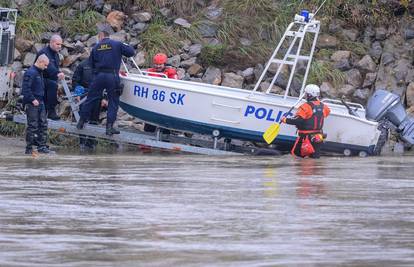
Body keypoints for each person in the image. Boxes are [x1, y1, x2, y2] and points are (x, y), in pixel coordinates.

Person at [76, 30, 135, 136]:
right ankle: (109, 127)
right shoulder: (116, 44)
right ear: (109, 36)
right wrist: (125, 45)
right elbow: (131, 52)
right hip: (112, 76)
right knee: (113, 101)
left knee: (90, 99)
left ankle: (81, 122)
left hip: (99, 76)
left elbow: (91, 64)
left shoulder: (96, 47)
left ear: (100, 36)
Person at [281, 84, 330, 158]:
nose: (305, 96)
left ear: (309, 95)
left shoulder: (305, 107)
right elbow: (326, 113)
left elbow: (298, 121)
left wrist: (285, 120)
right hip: (318, 138)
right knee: (314, 160)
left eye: (306, 94)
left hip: (305, 138)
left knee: (296, 157)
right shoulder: (324, 107)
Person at [21, 54, 54, 154]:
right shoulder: (30, 72)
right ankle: (29, 148)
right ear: (40, 62)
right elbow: (25, 89)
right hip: (32, 103)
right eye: (45, 65)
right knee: (33, 126)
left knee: (43, 124)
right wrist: (32, 99)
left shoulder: (39, 72)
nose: (46, 67)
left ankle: (41, 146)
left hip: (40, 102)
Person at [72, 58, 107, 150]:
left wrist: (104, 98)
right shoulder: (83, 65)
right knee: (83, 118)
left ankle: (92, 142)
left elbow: (106, 83)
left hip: (98, 95)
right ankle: (82, 143)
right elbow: (75, 80)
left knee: (94, 119)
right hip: (84, 95)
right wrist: (77, 93)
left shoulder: (103, 66)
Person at [144, 53, 178, 133]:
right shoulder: (149, 72)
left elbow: (176, 85)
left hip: (166, 104)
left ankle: (165, 140)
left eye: (160, 64)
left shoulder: (171, 72)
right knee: (149, 124)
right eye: (156, 64)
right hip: (152, 103)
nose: (158, 66)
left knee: (165, 125)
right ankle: (145, 145)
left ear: (164, 64)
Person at [37, 34, 65, 120]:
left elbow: (55, 66)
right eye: (57, 44)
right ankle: (51, 111)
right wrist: (57, 73)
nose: (60, 46)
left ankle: (48, 111)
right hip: (40, 78)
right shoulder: (44, 52)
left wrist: (58, 73)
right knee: (53, 85)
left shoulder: (56, 54)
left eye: (61, 44)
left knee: (53, 85)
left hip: (49, 79)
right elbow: (48, 66)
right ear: (51, 42)